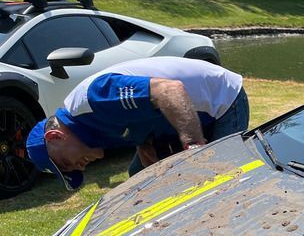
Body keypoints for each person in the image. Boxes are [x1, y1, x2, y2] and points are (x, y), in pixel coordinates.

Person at [25, 57, 249, 190]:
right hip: (187, 115)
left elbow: (170, 91)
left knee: (218, 178)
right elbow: (135, 116)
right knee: (139, 175)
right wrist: (144, 143)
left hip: (223, 99)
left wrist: (194, 148)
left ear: (55, 136)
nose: (80, 167)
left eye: (66, 163)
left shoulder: (94, 98)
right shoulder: (90, 131)